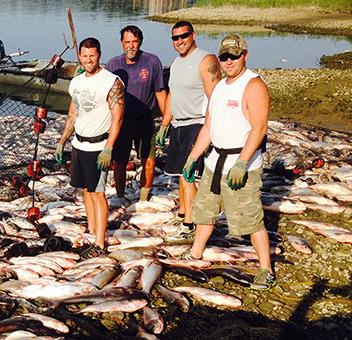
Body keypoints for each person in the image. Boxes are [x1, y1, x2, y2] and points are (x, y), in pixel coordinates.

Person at [180, 34, 275, 290]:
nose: (229, 61)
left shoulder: (253, 84)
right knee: (204, 211)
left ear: (244, 55)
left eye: (234, 56)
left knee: (250, 218)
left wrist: (242, 163)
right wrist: (193, 157)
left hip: (241, 164)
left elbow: (259, 128)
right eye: (224, 57)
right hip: (214, 161)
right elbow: (209, 126)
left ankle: (265, 269)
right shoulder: (220, 87)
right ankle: (196, 253)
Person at [55, 37, 124, 251]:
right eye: (84, 56)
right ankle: (92, 228)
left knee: (98, 193)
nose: (88, 60)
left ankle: (100, 243)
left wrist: (109, 148)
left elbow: (118, 117)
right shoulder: (76, 82)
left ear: (99, 55)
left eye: (92, 56)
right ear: (80, 57)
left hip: (99, 146)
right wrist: (62, 141)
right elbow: (73, 113)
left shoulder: (111, 81)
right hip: (79, 145)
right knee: (86, 189)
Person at [156, 21, 221, 237]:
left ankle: (191, 224)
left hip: (197, 123)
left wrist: (211, 127)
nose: (179, 41)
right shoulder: (176, 63)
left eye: (183, 36)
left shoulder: (206, 60)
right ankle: (183, 214)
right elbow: (173, 94)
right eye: (175, 38)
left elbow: (215, 97)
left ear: (193, 35)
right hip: (178, 125)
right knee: (178, 174)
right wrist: (165, 124)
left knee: (189, 174)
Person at [105, 25, 167, 201]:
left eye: (134, 42)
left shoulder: (152, 62)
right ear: (121, 43)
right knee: (120, 161)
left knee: (148, 159)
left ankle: (144, 196)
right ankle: (119, 195)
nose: (131, 46)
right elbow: (105, 95)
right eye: (127, 42)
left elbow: (160, 92)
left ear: (140, 42)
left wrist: (166, 121)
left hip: (145, 118)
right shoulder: (113, 65)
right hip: (122, 121)